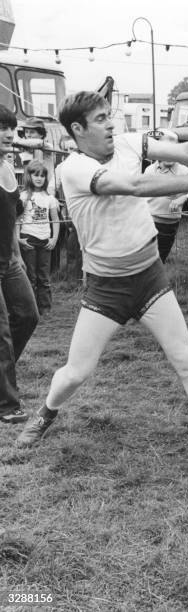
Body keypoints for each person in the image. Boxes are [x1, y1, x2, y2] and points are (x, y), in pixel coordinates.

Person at [16, 90, 188, 476]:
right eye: (99, 119)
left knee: (186, 360)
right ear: (77, 129)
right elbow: (135, 187)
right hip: (106, 289)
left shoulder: (129, 143)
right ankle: (46, 413)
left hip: (149, 278)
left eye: (109, 115)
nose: (110, 124)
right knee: (76, 372)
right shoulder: (72, 169)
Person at [0, 104, 39, 424]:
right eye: (1, 127)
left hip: (9, 260)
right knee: (1, 333)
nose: (8, 133)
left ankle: (3, 372)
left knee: (27, 315)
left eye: (11, 127)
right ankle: (7, 406)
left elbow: (10, 219)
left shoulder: (8, 165)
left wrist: (16, 257)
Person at [146, 130, 188, 263]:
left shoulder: (184, 172)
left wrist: (185, 198)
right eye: (167, 151)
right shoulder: (149, 170)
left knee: (157, 263)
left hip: (167, 228)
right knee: (142, 264)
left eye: (174, 151)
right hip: (146, 223)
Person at [17, 160, 60, 316]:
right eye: (36, 175)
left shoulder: (50, 198)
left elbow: (55, 220)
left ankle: (45, 308)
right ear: (29, 176)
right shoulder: (23, 197)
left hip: (45, 240)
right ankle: (31, 309)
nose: (39, 178)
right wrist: (19, 239)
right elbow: (18, 220)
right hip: (28, 238)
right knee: (31, 276)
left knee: (44, 276)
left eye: (42, 176)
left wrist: (54, 239)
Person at [15, 117, 56, 195]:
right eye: (26, 132)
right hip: (31, 188)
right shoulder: (25, 148)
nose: (28, 135)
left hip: (46, 188)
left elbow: (38, 143)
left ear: (41, 134)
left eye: (32, 132)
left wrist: (17, 142)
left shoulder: (47, 146)